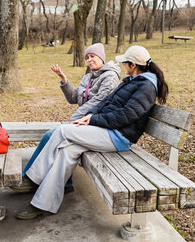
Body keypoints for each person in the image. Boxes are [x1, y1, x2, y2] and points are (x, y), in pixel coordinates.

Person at [16, 45, 169, 219]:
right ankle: (43, 203)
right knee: (67, 150)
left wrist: (92, 119)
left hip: (118, 137)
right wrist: (90, 116)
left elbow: (127, 116)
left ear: (133, 65)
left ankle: (33, 178)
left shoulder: (146, 87)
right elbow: (104, 104)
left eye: (125, 63)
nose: (124, 66)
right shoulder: (131, 82)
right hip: (106, 130)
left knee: (62, 131)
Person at [10, 43, 121, 193]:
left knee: (52, 135)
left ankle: (29, 179)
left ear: (101, 57)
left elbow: (98, 102)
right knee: (55, 137)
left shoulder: (110, 76)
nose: (89, 60)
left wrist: (74, 119)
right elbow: (73, 98)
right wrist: (64, 80)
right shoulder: (88, 77)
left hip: (97, 123)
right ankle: (63, 183)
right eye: (87, 57)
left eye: (92, 56)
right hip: (83, 120)